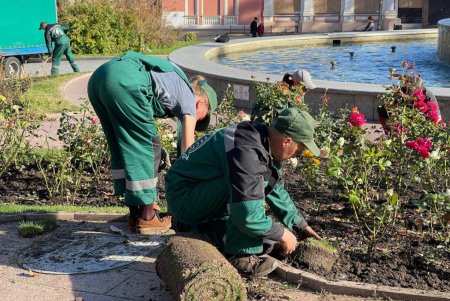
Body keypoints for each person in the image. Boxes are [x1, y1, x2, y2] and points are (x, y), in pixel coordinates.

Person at [165, 107, 322, 277]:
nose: (295, 156)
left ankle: (196, 227)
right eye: (298, 149)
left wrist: (299, 225)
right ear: (286, 141)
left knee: (265, 240)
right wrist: (283, 233)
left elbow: (275, 188)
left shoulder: (260, 139)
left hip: (199, 193)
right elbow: (247, 214)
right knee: (249, 195)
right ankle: (241, 257)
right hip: (184, 198)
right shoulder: (246, 150)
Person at [87, 51, 217, 235]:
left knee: (123, 143)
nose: (198, 120)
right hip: (124, 80)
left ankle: (135, 214)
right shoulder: (188, 99)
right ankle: (148, 218)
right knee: (149, 147)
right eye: (203, 116)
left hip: (99, 79)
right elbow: (188, 153)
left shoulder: (173, 83)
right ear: (201, 103)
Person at [377, 74, 442, 133]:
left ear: (420, 89)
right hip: (404, 118)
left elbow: (437, 117)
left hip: (422, 120)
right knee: (382, 111)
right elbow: (385, 111)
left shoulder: (428, 96)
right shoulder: (400, 93)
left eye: (413, 94)